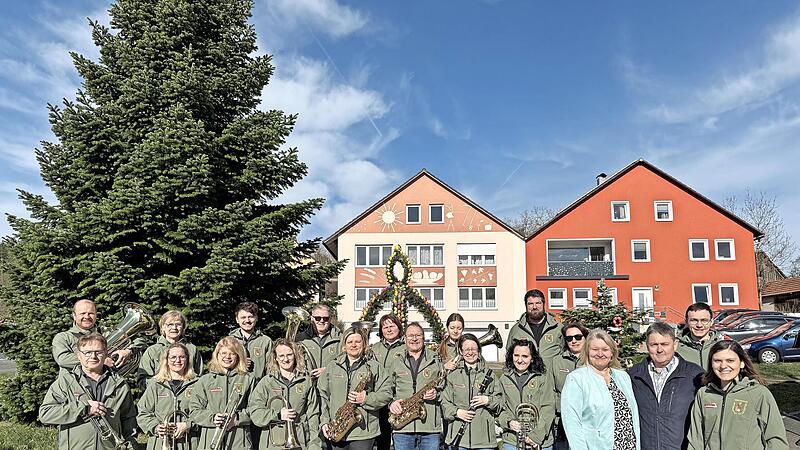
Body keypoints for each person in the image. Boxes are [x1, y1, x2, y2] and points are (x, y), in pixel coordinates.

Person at [39, 333, 138, 449]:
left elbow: (128, 419)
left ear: (106, 353)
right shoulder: (66, 382)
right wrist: (84, 409)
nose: (93, 356)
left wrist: (131, 445)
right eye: (87, 352)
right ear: (79, 355)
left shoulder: (120, 384)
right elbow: (45, 414)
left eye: (98, 352)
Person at [687, 340, 789, 450]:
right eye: (717, 361)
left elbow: (776, 437)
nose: (723, 366)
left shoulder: (758, 393)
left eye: (730, 360)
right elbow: (696, 438)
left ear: (741, 363)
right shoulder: (704, 394)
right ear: (711, 364)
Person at [628, 322, 703, 450]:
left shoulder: (694, 375)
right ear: (647, 346)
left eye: (664, 344)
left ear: (675, 345)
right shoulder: (634, 375)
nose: (659, 349)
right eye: (654, 345)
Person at [561, 329, 639, 450]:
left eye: (605, 349)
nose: (600, 353)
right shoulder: (576, 379)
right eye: (595, 349)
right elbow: (572, 424)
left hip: (628, 445)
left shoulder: (623, 377)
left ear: (612, 352)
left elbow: (633, 417)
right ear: (587, 351)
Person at [319, 327, 390, 449]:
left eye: (358, 342)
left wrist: (366, 399)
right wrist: (324, 421)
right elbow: (322, 395)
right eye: (349, 342)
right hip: (337, 429)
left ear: (364, 344)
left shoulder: (374, 367)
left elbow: (387, 393)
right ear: (344, 345)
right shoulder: (332, 366)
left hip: (364, 433)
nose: (353, 345)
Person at [249, 338, 320, 450]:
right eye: (281, 356)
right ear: (275, 358)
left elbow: (313, 416)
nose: (286, 359)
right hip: (272, 445)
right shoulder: (267, 382)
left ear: (295, 355)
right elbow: (254, 412)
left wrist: (315, 446)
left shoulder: (306, 381)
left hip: (300, 443)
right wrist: (277, 415)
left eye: (289, 355)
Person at [383, 322, 443, 450]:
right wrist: (391, 403)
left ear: (423, 337)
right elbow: (387, 389)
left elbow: (446, 389)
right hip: (402, 428)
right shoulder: (397, 362)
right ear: (405, 338)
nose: (414, 339)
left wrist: (437, 394)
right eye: (410, 335)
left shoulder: (436, 360)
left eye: (418, 335)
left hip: (430, 428)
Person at [189, 336, 256, 450]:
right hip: (210, 438)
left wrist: (237, 418)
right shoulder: (205, 380)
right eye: (223, 353)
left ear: (238, 356)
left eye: (232, 353)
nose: (227, 357)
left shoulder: (248, 379)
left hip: (239, 440)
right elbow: (194, 410)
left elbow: (256, 408)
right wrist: (212, 417)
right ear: (217, 355)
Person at [441, 334, 503, 450]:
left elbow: (500, 402)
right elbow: (444, 403)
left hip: (484, 442)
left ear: (479, 351)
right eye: (466, 349)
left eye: (473, 349)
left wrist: (488, 400)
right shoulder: (452, 376)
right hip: (458, 440)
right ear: (460, 351)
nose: (470, 352)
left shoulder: (490, 375)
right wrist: (457, 412)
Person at [137, 343, 200, 450]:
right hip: (159, 443)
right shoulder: (156, 384)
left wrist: (187, 425)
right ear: (166, 360)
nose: (178, 360)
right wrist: (156, 427)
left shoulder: (198, 384)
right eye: (173, 357)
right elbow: (143, 413)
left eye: (182, 357)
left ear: (187, 360)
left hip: (190, 443)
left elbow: (204, 412)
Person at [497, 338, 556, 450]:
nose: (519, 360)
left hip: (540, 441)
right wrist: (508, 422)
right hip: (512, 441)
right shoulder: (504, 379)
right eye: (516, 355)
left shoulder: (542, 378)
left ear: (532, 358)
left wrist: (536, 437)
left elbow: (548, 408)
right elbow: (500, 408)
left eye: (525, 356)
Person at [52, 298, 140, 372]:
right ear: (74, 316)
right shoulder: (63, 337)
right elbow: (63, 360)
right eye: (82, 313)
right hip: (76, 387)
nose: (87, 317)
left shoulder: (105, 332)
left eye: (91, 313)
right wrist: (100, 361)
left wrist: (128, 351)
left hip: (107, 384)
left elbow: (138, 339)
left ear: (95, 315)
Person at [137, 310, 203, 389]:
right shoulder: (152, 351)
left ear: (183, 327)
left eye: (178, 324)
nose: (174, 328)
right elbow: (143, 380)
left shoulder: (192, 349)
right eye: (170, 324)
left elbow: (199, 377)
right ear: (163, 327)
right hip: (159, 396)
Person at [550, 322, 588, 449]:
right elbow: (551, 391)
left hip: (588, 420)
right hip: (563, 420)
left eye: (578, 337)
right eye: (569, 338)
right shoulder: (557, 361)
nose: (574, 341)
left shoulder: (593, 360)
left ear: (585, 337)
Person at [371, 314, 406, 450]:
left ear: (399, 328)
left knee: (400, 440)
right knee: (382, 441)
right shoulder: (374, 348)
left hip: (398, 400)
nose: (389, 330)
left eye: (392, 326)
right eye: (385, 327)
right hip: (380, 402)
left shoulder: (405, 348)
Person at [507, 290, 563, 363]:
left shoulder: (558, 328)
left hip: (551, 374)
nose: (534, 307)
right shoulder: (516, 330)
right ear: (526, 305)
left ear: (543, 304)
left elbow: (566, 354)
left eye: (538, 303)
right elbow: (509, 357)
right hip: (527, 374)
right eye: (530, 304)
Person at [297, 303, 342, 380]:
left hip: (330, 384)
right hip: (307, 384)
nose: (322, 321)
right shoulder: (300, 338)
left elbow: (345, 361)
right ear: (312, 318)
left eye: (326, 318)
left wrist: (327, 371)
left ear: (330, 319)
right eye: (318, 318)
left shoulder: (341, 338)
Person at [230, 301, 274, 380]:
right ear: (237, 319)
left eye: (250, 317)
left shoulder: (265, 341)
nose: (247, 320)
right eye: (243, 317)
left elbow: (271, 369)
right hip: (234, 387)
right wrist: (239, 364)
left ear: (256, 318)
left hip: (258, 388)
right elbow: (221, 366)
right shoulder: (230, 341)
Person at [676, 303, 722, 370]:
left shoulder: (722, 345)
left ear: (711, 322)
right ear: (686, 322)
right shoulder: (676, 347)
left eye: (704, 320)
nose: (699, 325)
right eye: (694, 320)